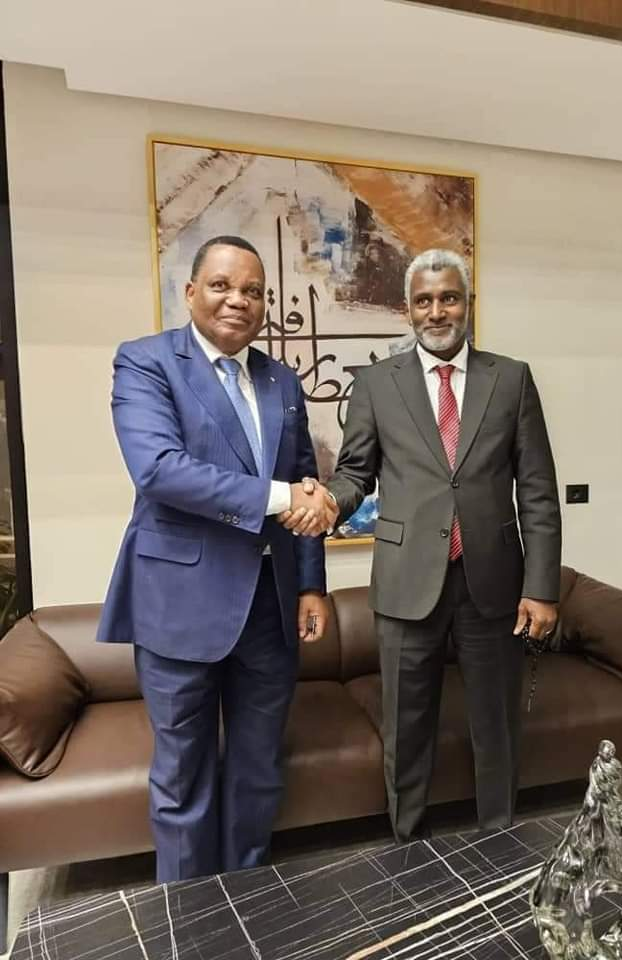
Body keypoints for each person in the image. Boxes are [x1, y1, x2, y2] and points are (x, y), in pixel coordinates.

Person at [281, 248, 561, 842]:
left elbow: (537, 491)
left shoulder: (511, 379)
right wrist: (328, 501)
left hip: (493, 583)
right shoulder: (376, 384)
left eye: (449, 298)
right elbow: (355, 473)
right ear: (408, 309)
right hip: (406, 582)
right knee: (406, 729)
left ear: (468, 304)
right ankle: (407, 844)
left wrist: (541, 588)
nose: (437, 311)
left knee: (497, 726)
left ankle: (500, 840)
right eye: (424, 300)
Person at [97, 235, 337, 881]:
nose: (239, 300)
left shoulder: (281, 380)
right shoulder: (146, 362)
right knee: (183, 779)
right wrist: (283, 497)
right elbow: (161, 470)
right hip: (180, 608)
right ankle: (187, 914)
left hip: (270, 609)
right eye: (223, 285)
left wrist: (310, 584)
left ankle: (246, 900)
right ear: (191, 292)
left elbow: (304, 478)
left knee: (259, 772)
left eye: (253, 291)